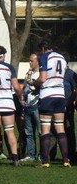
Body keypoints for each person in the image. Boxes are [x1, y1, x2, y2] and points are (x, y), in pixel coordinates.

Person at [30, 39, 70, 168]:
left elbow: (42, 79)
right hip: (60, 94)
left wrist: (33, 83)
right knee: (60, 128)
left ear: (42, 49)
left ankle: (45, 161)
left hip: (47, 95)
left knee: (45, 129)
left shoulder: (44, 57)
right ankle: (65, 160)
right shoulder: (62, 58)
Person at [21, 53, 41, 162]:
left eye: (32, 61)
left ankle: (42, 154)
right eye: (29, 60)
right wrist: (22, 99)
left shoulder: (40, 74)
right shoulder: (28, 73)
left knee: (40, 131)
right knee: (28, 132)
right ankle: (30, 154)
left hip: (37, 105)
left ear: (37, 61)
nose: (30, 63)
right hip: (27, 105)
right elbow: (24, 88)